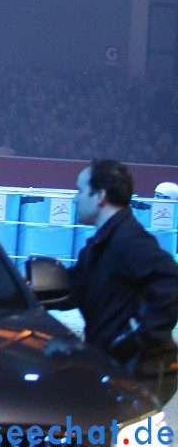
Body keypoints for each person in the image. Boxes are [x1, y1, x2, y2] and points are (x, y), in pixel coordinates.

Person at [58, 159, 178, 402]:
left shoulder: (128, 240)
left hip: (140, 376)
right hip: (118, 368)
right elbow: (75, 286)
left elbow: (171, 282)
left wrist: (139, 337)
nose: (74, 199)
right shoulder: (101, 243)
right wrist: (24, 286)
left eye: (80, 191)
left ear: (100, 196)